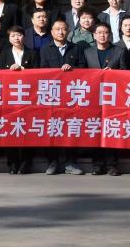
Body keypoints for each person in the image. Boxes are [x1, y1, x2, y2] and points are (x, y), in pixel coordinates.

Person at [70, 23, 125, 176]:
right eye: (99, 32)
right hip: (93, 97)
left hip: (112, 97)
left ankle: (112, 165)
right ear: (94, 35)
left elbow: (126, 71)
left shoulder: (119, 51)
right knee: (95, 130)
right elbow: (82, 72)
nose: (102, 35)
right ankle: (97, 164)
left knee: (111, 130)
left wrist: (114, 73)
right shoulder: (87, 52)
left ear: (110, 35)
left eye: (105, 32)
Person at [37, 18, 84, 175]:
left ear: (68, 31)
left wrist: (72, 69)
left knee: (71, 128)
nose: (61, 32)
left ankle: (71, 162)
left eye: (63, 29)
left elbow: (83, 69)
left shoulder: (75, 48)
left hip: (72, 96)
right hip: (52, 96)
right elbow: (42, 71)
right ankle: (53, 162)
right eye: (57, 29)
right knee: (52, 128)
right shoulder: (45, 49)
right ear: (51, 32)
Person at [0, 26, 38, 174]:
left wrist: (23, 70)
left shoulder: (32, 53)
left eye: (19, 35)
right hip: (9, 98)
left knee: (26, 130)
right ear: (9, 38)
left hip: (28, 98)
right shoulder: (4, 54)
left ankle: (26, 162)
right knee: (10, 130)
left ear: (24, 37)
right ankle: (12, 163)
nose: (16, 38)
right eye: (13, 35)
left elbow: (39, 74)